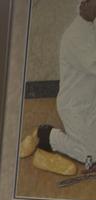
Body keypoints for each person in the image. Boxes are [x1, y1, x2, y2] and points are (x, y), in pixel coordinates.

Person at [20, 1, 96, 175]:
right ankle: (46, 135)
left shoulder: (91, 29)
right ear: (83, 6)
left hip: (92, 103)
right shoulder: (75, 36)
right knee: (91, 156)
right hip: (75, 106)